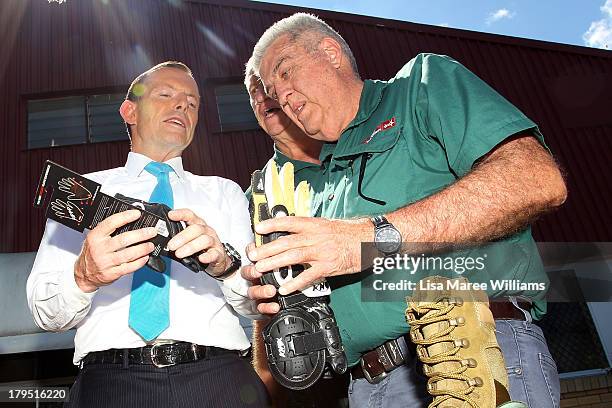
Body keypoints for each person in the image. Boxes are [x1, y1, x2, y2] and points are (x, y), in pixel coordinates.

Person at [242, 13, 567, 408]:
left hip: (474, 357)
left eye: (286, 72)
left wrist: (368, 238)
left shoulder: (420, 86)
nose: (283, 99)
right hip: (364, 385)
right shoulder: (313, 178)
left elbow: (536, 180)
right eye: (274, 93)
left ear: (330, 53)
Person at [27, 61, 269, 408]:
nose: (181, 106)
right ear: (130, 111)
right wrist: (84, 276)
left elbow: (254, 305)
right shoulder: (82, 192)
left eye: (192, 103)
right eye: (166, 94)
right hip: (109, 388)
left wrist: (226, 266)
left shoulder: (225, 192)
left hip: (218, 382)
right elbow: (44, 313)